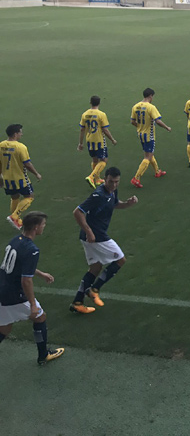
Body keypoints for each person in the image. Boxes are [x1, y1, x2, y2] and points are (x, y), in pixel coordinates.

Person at [69, 167, 138, 314]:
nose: (113, 185)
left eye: (116, 182)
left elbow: (114, 203)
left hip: (90, 237)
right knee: (120, 260)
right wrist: (89, 231)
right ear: (104, 179)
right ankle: (94, 289)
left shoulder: (112, 191)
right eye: (111, 181)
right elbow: (78, 212)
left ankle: (77, 302)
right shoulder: (98, 195)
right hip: (96, 236)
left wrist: (127, 204)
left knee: (95, 268)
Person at [0, 211, 64, 365]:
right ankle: (44, 355)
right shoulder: (32, 249)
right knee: (40, 317)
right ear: (36, 227)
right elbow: (26, 281)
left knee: (4, 327)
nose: (44, 227)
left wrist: (41, 274)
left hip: (2, 286)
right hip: (13, 293)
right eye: (43, 225)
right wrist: (33, 305)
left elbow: (17, 265)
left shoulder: (15, 241)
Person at [1, 125, 42, 231]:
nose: (21, 134)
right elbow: (27, 164)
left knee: (14, 197)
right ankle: (14, 217)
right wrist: (36, 174)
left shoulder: (1, 145)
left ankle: (15, 219)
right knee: (29, 196)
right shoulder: (20, 147)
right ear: (15, 134)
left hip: (7, 179)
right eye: (20, 132)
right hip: (20, 178)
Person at [130, 88, 171, 188]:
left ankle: (157, 172)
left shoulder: (135, 106)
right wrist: (166, 127)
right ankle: (136, 178)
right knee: (147, 157)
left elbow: (132, 121)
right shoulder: (151, 107)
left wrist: (140, 127)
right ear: (150, 96)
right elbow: (157, 121)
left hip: (140, 134)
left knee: (149, 153)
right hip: (149, 135)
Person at [77, 96, 117, 189]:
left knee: (95, 160)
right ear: (99, 103)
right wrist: (112, 139)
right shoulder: (101, 114)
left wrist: (80, 143)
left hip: (89, 140)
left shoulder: (85, 114)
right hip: (99, 141)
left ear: (90, 102)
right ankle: (92, 177)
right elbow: (105, 130)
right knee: (104, 160)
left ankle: (97, 179)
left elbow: (82, 129)